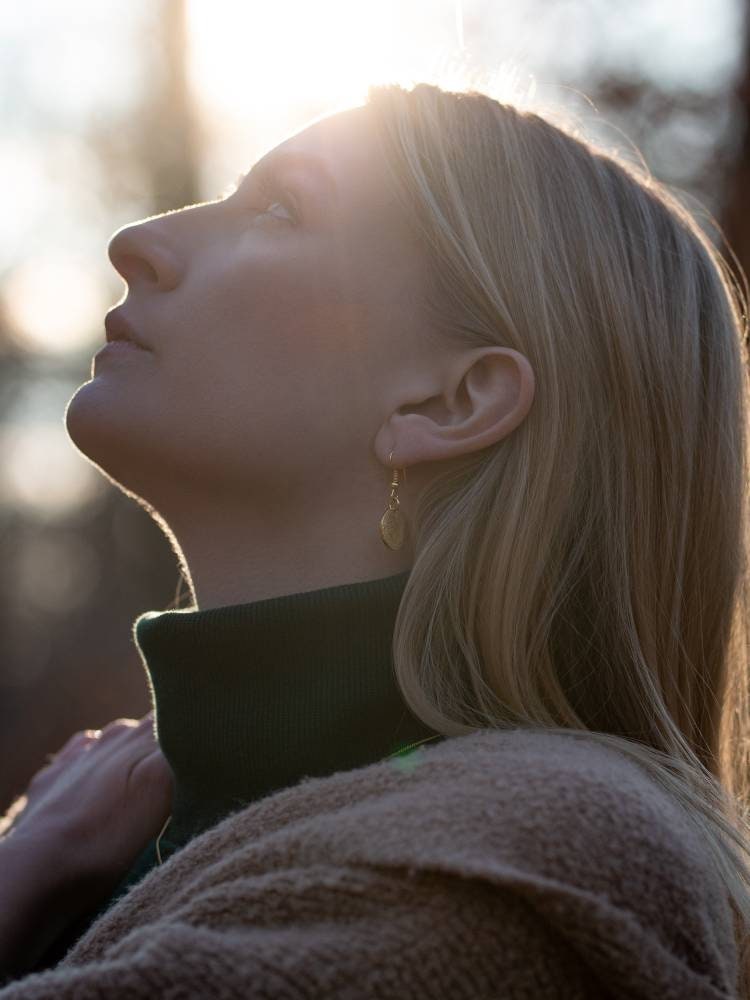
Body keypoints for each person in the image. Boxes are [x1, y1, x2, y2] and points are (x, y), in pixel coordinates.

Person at [0, 80, 748, 998]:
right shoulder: (115, 832)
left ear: (450, 401)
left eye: (281, 207)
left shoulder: (523, 857)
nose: (138, 243)